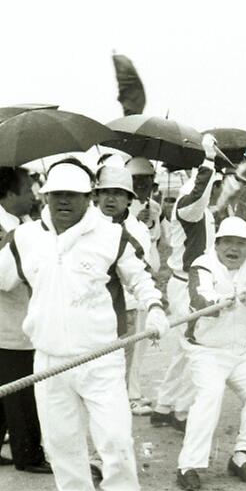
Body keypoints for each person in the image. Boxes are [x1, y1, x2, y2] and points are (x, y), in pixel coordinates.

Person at [0, 160, 169, 491]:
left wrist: (156, 307)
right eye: (56, 194)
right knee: (61, 443)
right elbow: (1, 278)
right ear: (44, 196)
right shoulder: (25, 238)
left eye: (72, 195)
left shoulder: (112, 236)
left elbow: (141, 278)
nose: (63, 202)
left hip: (100, 356)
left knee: (115, 438)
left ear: (88, 197)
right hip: (47, 360)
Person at [176, 216, 246, 491]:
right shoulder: (202, 265)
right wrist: (219, 302)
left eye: (240, 244)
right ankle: (188, 465)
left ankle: (242, 455)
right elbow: (198, 298)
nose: (233, 249)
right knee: (209, 397)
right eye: (227, 243)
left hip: (245, 350)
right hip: (207, 351)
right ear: (217, 244)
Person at [150, 134, 218, 431]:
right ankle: (181, 411)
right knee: (196, 347)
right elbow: (199, 196)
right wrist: (209, 161)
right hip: (186, 282)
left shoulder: (197, 203)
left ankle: (166, 405)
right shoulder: (190, 200)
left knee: (184, 348)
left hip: (189, 280)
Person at [94, 157, 155, 413]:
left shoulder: (137, 229)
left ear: (129, 198)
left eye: (118, 194)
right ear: (96, 195)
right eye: (105, 192)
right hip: (89, 309)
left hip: (124, 307)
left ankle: (123, 403)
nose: (111, 199)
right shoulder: (85, 223)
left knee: (120, 363)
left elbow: (146, 270)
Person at [0, 167, 51, 473]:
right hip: (7, 322)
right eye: (27, 190)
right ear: (8, 194)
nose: (34, 195)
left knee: (5, 391)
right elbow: (4, 279)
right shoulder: (7, 229)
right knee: (21, 391)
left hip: (20, 318)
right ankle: (28, 454)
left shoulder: (22, 223)